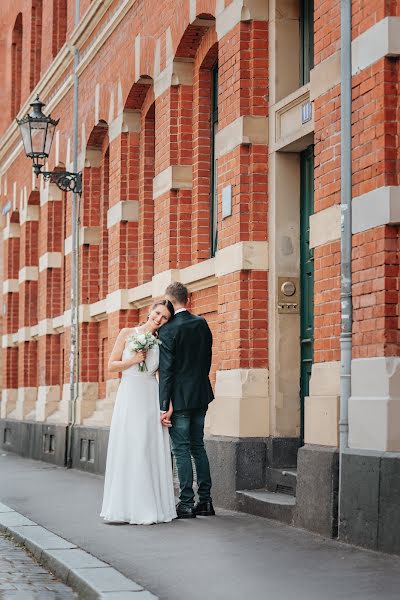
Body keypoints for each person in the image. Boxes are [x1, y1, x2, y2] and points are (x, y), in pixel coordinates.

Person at [100, 300, 177, 525]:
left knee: (145, 446)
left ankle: (148, 506)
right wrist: (134, 360)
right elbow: (111, 365)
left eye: (164, 318)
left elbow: (162, 375)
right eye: (158, 313)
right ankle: (124, 506)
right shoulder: (127, 333)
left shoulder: (161, 342)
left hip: (149, 395)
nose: (159, 319)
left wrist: (168, 405)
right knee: (128, 445)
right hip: (129, 395)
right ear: (150, 311)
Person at [159, 282, 215, 519]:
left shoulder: (168, 329)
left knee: (181, 450)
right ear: (188, 299)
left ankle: (186, 503)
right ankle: (206, 501)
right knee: (198, 447)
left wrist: (164, 405)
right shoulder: (202, 323)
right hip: (201, 393)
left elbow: (167, 370)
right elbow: (207, 358)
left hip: (179, 399)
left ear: (169, 302)